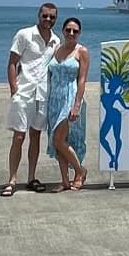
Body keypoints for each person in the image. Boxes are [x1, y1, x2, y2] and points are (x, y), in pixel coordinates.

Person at [3, 2, 59, 196]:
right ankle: (12, 180)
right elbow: (12, 63)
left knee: (36, 136)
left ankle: (31, 177)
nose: (48, 20)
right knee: (19, 136)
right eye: (45, 16)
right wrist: (14, 90)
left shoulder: (55, 41)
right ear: (39, 15)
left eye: (52, 17)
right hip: (24, 92)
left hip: (43, 94)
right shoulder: (24, 35)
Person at [47, 16, 90, 191]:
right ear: (63, 31)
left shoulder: (82, 52)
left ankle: (80, 171)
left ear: (79, 33)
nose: (71, 33)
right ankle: (65, 180)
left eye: (75, 31)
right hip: (54, 99)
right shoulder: (56, 49)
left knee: (58, 139)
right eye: (68, 30)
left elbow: (82, 80)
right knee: (59, 141)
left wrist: (77, 105)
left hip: (71, 98)